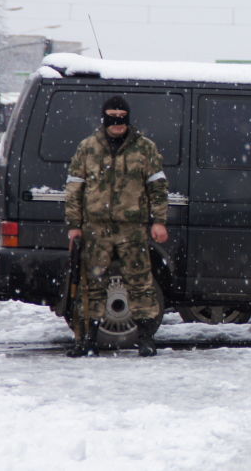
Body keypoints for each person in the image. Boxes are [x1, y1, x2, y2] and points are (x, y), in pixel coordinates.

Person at [64, 96, 169, 357]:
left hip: (132, 228)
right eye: (112, 118)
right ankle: (87, 339)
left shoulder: (144, 148)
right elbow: (74, 188)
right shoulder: (87, 148)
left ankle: (145, 338)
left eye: (122, 118)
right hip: (95, 229)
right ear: (104, 119)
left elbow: (157, 187)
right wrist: (74, 225)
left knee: (141, 283)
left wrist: (159, 221)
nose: (118, 124)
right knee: (91, 285)